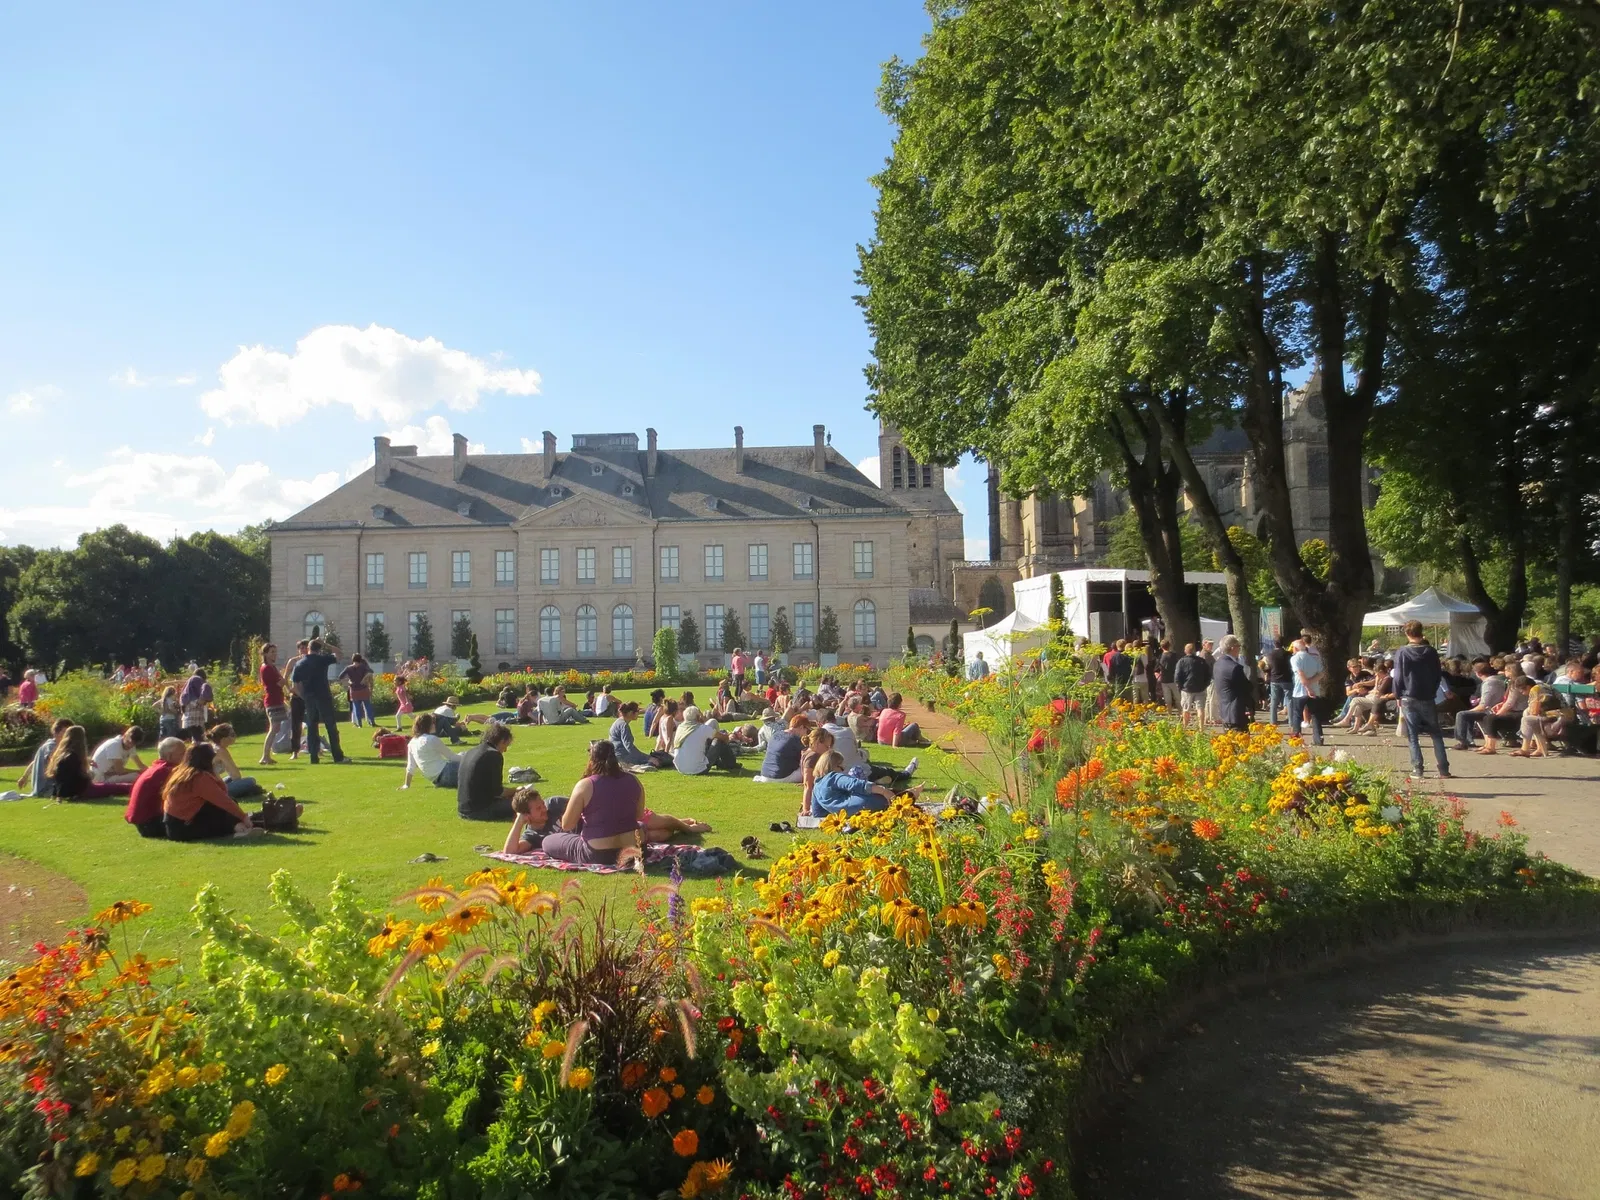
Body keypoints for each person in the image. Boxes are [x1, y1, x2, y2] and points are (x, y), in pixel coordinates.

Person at [1391, 619, 1452, 779]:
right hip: (1427, 695)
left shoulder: (1402, 652)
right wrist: (1431, 690)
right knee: (1436, 733)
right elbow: (1438, 675)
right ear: (1421, 631)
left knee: (1413, 735)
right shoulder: (1431, 651)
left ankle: (1418, 769)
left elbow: (1397, 677)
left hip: (1408, 695)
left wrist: (1397, 694)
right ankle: (1444, 769)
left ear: (1406, 633)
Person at [162, 743, 258, 841]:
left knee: (224, 806)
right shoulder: (198, 778)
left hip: (176, 823)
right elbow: (223, 799)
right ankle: (239, 830)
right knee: (223, 811)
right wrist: (243, 817)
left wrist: (214, 772)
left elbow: (223, 795)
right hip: (183, 828)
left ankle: (240, 827)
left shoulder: (183, 771)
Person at [291, 638, 350, 764]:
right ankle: (337, 756)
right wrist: (326, 644)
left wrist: (303, 696)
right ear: (319, 649)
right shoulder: (323, 660)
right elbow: (339, 654)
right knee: (331, 726)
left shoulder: (300, 663)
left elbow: (295, 684)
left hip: (309, 697)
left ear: (308, 648)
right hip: (323, 695)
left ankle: (314, 757)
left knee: (312, 727)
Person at [809, 750, 912, 817]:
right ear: (832, 766)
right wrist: (884, 791)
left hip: (845, 814)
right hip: (866, 804)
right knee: (904, 797)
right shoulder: (833, 777)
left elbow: (817, 813)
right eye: (841, 767)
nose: (843, 770)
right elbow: (855, 784)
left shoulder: (816, 787)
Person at [47, 726, 134, 800]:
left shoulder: (60, 755)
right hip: (80, 791)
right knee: (120, 788)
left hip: (67, 792)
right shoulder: (74, 756)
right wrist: (90, 775)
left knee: (107, 786)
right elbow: (81, 778)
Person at [125, 737, 186, 838]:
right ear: (169, 756)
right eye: (182, 754)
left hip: (145, 823)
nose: (186, 756)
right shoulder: (165, 771)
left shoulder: (157, 768)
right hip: (150, 824)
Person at [457, 722, 517, 822]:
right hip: (481, 810)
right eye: (506, 745)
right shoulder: (494, 755)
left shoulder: (470, 751)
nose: (505, 750)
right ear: (502, 741)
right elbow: (498, 792)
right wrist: (516, 790)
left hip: (464, 808)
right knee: (525, 802)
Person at [1454, 661, 1509, 749]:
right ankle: (1469, 740)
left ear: (1478, 673)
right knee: (1467, 715)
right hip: (1495, 708)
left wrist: (1469, 710)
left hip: (1489, 711)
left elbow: (1484, 705)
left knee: (1461, 714)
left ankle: (1462, 741)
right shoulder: (1498, 680)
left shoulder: (1488, 683)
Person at [402, 712, 463, 788]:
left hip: (437, 780)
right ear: (428, 725)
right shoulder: (431, 739)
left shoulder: (412, 743)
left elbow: (410, 767)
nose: (434, 725)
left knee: (462, 755)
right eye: (433, 723)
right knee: (470, 760)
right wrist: (470, 757)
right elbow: (452, 757)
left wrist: (406, 785)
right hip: (448, 773)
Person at [673, 706, 740, 774]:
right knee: (718, 740)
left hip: (681, 769)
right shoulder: (702, 728)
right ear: (697, 717)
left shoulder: (680, 728)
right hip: (699, 769)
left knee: (708, 741)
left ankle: (722, 763)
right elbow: (724, 738)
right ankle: (731, 764)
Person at [17, 717, 72, 798]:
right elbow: (56, 762)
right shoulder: (51, 746)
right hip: (47, 789)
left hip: (45, 789)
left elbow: (34, 762)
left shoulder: (51, 745)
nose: (68, 735)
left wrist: (24, 777)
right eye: (65, 732)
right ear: (56, 732)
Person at [206, 724, 265, 799]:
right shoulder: (221, 751)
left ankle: (247, 791)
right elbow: (236, 776)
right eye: (232, 735)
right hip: (211, 790)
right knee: (251, 781)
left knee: (229, 779)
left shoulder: (213, 747)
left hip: (210, 785)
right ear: (223, 738)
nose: (235, 736)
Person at [1288, 637, 1326, 747]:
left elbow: (1300, 674)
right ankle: (1318, 739)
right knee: (1315, 715)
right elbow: (1321, 673)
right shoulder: (1313, 658)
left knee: (1297, 715)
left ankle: (1296, 738)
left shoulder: (1295, 659)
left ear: (1295, 648)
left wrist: (1307, 686)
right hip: (1315, 690)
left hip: (1300, 691)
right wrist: (1311, 682)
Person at [1212, 636, 1254, 732]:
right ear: (1232, 647)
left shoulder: (1217, 664)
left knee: (1228, 743)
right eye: (1238, 646)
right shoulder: (1235, 667)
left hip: (1224, 711)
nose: (1239, 649)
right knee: (1241, 743)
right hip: (1236, 712)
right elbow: (1247, 687)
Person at [756, 713, 809, 783]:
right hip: (780, 777)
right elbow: (807, 757)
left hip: (764, 775)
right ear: (802, 727)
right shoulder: (795, 739)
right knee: (810, 767)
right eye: (807, 730)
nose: (806, 734)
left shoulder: (775, 735)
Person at [1173, 643, 1212, 729]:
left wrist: (1180, 687)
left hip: (1187, 688)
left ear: (1185, 651)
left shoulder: (1181, 661)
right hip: (1200, 688)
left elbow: (1177, 676)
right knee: (1200, 708)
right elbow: (1208, 674)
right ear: (1194, 651)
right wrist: (1205, 684)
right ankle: (1201, 728)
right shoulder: (1201, 661)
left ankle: (1185, 727)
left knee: (1186, 709)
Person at [608, 701, 654, 767]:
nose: (638, 713)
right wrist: (648, 758)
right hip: (622, 757)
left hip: (618, 754)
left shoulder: (619, 721)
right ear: (630, 713)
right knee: (652, 762)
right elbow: (629, 747)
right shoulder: (624, 725)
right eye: (637, 711)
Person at [339, 654, 376, 727]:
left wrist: (349, 681)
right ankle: (372, 722)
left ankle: (359, 724)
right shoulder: (363, 667)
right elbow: (371, 671)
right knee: (368, 706)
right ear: (360, 660)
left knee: (357, 708)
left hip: (354, 690)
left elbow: (340, 676)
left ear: (352, 660)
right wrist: (364, 678)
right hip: (364, 689)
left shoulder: (348, 668)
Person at [179, 668, 214, 742]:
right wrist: (204, 699)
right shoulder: (196, 679)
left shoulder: (190, 680)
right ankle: (200, 749)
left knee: (196, 734)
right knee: (198, 733)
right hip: (194, 706)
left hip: (189, 707)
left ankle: (197, 748)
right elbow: (202, 692)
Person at [1263, 642, 1293, 724]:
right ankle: (1291, 720)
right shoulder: (1288, 654)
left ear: (1274, 644)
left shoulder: (1270, 655)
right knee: (1289, 699)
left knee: (1274, 700)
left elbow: (1266, 667)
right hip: (1287, 679)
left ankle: (1273, 720)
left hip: (1274, 679)